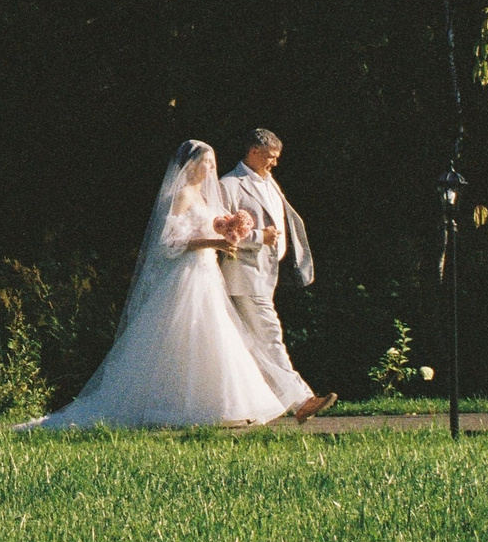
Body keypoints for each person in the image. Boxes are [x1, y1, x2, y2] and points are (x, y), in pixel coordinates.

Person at [21, 140, 290, 430]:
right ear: (191, 164)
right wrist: (216, 241)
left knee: (212, 332)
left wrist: (230, 230)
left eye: (213, 163)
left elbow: (206, 227)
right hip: (186, 274)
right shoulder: (183, 195)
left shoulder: (202, 197)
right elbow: (169, 242)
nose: (211, 169)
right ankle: (175, 406)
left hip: (207, 272)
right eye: (206, 162)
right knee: (184, 335)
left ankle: (220, 405)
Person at [210, 128, 336, 422]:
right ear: (253, 152)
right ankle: (301, 400)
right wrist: (257, 236)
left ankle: (250, 405)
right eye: (270, 157)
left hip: (268, 273)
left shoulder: (269, 181)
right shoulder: (230, 184)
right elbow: (218, 229)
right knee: (270, 336)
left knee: (249, 342)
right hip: (243, 274)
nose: (274, 163)